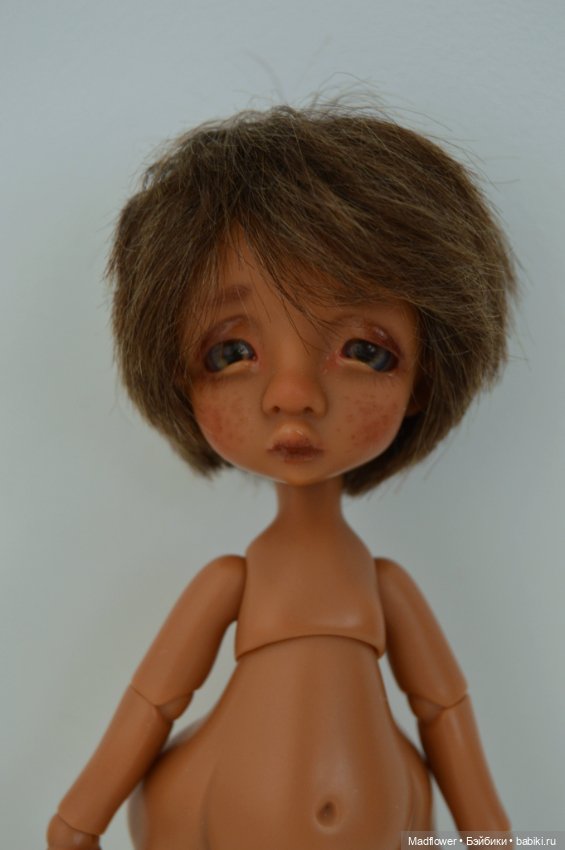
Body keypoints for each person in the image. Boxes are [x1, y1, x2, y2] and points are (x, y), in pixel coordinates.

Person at [47, 100, 515, 850]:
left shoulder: (383, 586)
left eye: (364, 351)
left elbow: (443, 711)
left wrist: (493, 837)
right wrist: (79, 819)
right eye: (232, 354)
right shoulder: (232, 581)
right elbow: (153, 703)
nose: (293, 395)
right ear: (178, 377)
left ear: (424, 379)